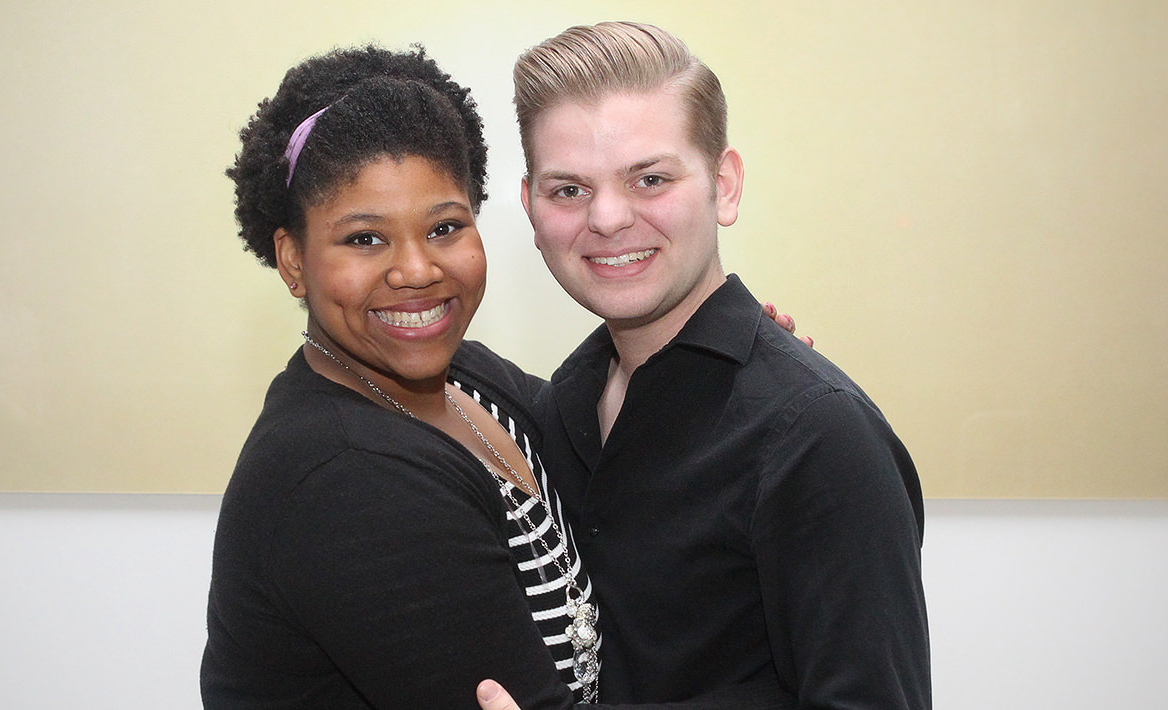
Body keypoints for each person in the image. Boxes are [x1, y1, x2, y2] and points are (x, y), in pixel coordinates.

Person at [201, 44, 791, 710]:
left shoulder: (468, 381)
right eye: (365, 239)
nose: (416, 270)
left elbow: (618, 448)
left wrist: (732, 365)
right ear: (292, 260)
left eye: (444, 227)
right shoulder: (349, 479)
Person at [480, 21, 931, 710]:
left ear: (724, 185)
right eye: (568, 189)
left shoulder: (817, 436)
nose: (607, 218)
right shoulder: (557, 411)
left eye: (650, 179)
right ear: (532, 210)